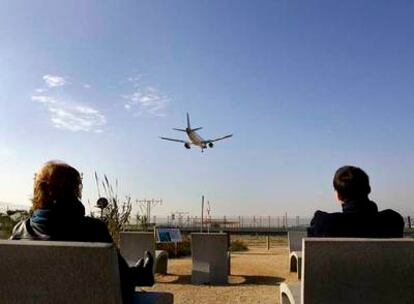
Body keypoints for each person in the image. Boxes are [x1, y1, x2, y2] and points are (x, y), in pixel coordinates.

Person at [10, 160, 154, 304]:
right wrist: (139, 274)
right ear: (74, 191)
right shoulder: (93, 229)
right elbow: (118, 280)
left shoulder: (20, 230)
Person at [308, 165, 404, 237]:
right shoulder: (394, 221)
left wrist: (318, 217)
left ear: (338, 196)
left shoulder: (326, 224)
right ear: (368, 189)